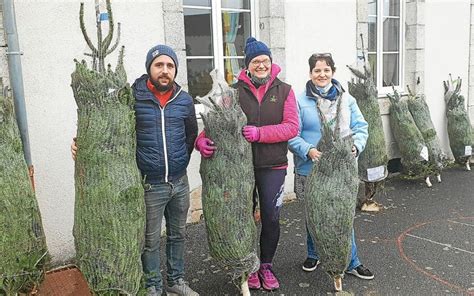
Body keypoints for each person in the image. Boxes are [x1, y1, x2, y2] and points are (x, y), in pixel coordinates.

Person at [72, 44, 199, 296]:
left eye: (170, 66)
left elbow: (190, 134)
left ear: (175, 69)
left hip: (179, 182)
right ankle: (152, 285)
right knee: (149, 241)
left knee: (178, 236)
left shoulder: (184, 100)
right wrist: (81, 143)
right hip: (150, 185)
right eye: (159, 65)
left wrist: (181, 161)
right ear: (149, 68)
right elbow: (110, 130)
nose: (165, 71)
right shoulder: (132, 97)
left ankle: (175, 281)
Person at [195, 37, 299, 291]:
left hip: (273, 166)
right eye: (256, 61)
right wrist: (201, 141)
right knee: (242, 217)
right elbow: (215, 121)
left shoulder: (284, 90)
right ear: (247, 66)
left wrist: (261, 133)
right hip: (239, 168)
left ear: (271, 63)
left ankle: (266, 265)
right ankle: (248, 265)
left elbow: (292, 127)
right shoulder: (233, 92)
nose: (261, 65)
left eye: (265, 60)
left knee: (271, 217)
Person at [288, 53, 374, 280]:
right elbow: (291, 134)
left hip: (341, 171)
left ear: (333, 73)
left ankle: (352, 261)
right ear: (310, 73)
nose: (322, 74)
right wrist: (308, 150)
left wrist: (356, 147)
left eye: (326, 70)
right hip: (311, 169)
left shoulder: (347, 100)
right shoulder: (299, 100)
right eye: (317, 70)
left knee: (343, 217)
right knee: (313, 215)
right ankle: (313, 254)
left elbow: (361, 127)